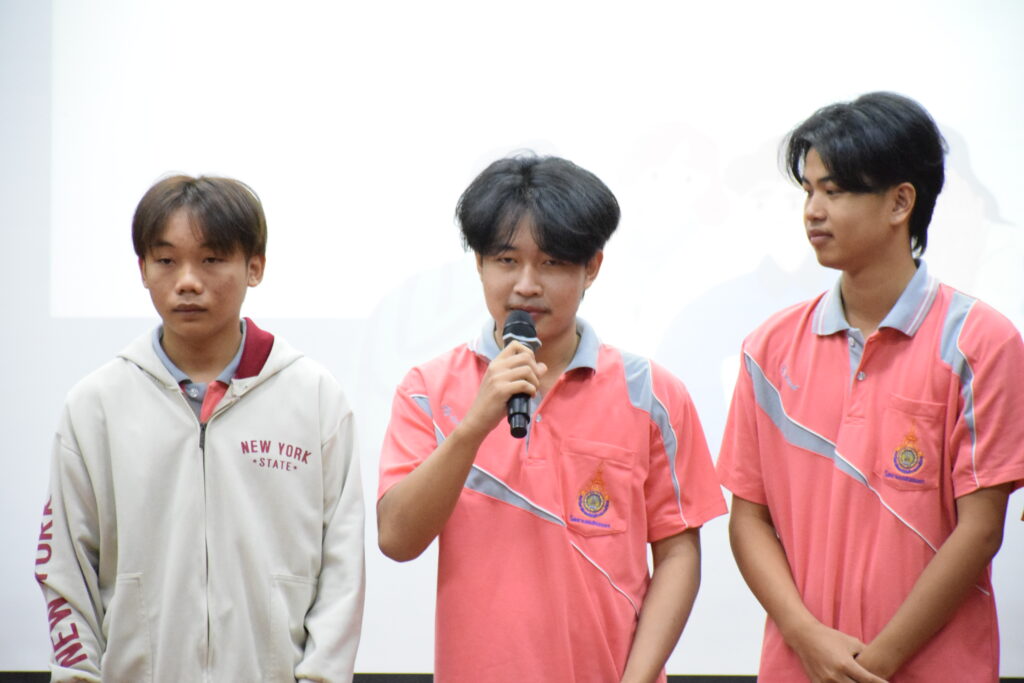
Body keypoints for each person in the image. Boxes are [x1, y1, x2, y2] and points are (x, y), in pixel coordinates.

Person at [377, 153, 726, 682]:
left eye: (552, 263)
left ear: (592, 267)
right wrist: (473, 426)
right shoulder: (428, 389)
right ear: (479, 263)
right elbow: (397, 539)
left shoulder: (652, 393)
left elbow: (678, 554)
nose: (526, 284)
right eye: (506, 260)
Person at [717, 92, 1024, 682]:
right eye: (808, 191)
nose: (812, 211)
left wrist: (873, 666)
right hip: (801, 666)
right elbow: (748, 520)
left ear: (900, 202)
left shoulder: (980, 342)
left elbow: (982, 528)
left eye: (834, 191)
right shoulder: (769, 347)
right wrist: (806, 638)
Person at [34, 175, 365, 682]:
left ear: (254, 267)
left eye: (211, 259)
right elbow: (66, 568)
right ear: (143, 269)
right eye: (166, 260)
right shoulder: (95, 404)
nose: (187, 281)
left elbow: (342, 568)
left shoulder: (314, 397)